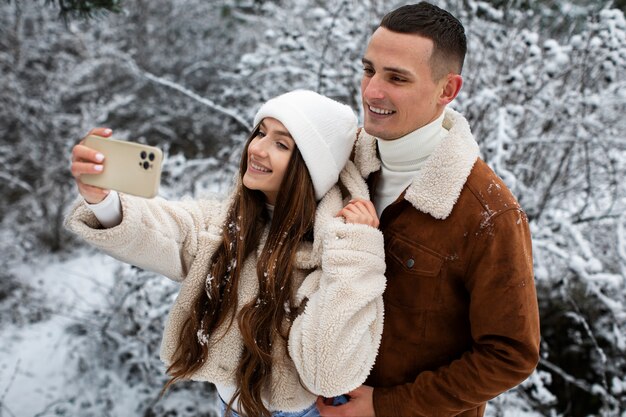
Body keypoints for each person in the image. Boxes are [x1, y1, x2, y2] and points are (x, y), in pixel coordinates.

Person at [65, 90, 387, 417]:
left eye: (281, 144)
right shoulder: (230, 222)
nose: (257, 148)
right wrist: (102, 199)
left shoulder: (336, 247)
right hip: (231, 405)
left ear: (310, 168)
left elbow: (327, 371)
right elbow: (168, 231)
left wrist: (356, 253)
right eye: (260, 132)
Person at [316, 3, 541, 417]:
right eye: (369, 70)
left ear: (447, 90)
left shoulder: (487, 212)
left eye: (397, 78)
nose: (371, 91)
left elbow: (510, 355)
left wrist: (387, 406)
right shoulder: (339, 166)